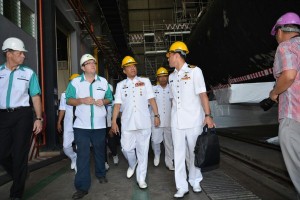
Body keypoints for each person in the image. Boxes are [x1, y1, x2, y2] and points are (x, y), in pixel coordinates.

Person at [166, 41, 215, 198]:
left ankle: (195, 180)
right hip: (176, 122)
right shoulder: (171, 77)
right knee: (178, 154)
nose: (168, 60)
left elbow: (202, 95)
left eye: (169, 56)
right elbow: (173, 100)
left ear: (177, 55)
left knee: (195, 152)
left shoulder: (195, 71)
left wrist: (208, 116)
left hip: (194, 120)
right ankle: (181, 186)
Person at [0, 37, 43, 200]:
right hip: (2, 116)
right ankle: (21, 173)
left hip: (22, 116)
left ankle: (16, 194)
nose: (24, 56)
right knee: (2, 154)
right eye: (20, 53)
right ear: (9, 54)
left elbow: (35, 96)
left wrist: (38, 118)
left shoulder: (29, 73)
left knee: (19, 154)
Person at [65, 54, 113, 199]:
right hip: (81, 126)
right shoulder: (75, 83)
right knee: (83, 155)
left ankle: (101, 174)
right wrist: (81, 100)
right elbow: (68, 100)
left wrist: (103, 102)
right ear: (83, 67)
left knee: (99, 151)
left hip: (99, 125)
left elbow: (110, 98)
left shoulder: (103, 82)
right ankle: (82, 187)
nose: (93, 65)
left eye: (94, 62)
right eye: (89, 63)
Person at [111, 56, 160, 189]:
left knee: (143, 152)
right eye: (129, 66)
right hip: (127, 124)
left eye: (134, 65)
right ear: (124, 70)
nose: (133, 68)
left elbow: (152, 99)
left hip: (144, 123)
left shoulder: (145, 81)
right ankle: (132, 164)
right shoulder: (121, 86)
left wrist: (156, 115)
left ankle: (141, 179)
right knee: (126, 149)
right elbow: (117, 105)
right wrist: (113, 121)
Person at [269, 12, 300, 197]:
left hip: (293, 116)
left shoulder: (285, 47)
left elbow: (289, 75)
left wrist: (274, 92)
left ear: (280, 31)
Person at [150, 67, 174, 171]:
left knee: (169, 143)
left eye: (165, 76)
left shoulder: (172, 88)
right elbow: (149, 104)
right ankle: (157, 155)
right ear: (157, 78)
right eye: (160, 76)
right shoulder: (153, 89)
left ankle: (169, 162)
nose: (163, 78)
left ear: (167, 77)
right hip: (156, 120)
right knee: (155, 140)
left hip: (169, 120)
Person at [57, 73, 80, 173]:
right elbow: (62, 109)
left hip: (80, 123)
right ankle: (74, 157)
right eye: (72, 81)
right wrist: (59, 122)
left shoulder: (84, 94)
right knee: (66, 146)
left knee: (81, 145)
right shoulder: (64, 95)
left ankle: (80, 166)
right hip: (68, 123)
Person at [105, 84, 119, 166]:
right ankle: (105, 162)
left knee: (111, 142)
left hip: (111, 125)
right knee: (102, 143)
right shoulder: (101, 101)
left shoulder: (114, 102)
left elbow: (115, 115)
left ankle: (115, 155)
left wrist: (111, 127)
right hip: (101, 125)